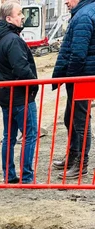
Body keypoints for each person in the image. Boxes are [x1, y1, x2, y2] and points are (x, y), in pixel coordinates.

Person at [0, 1, 38, 184]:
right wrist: (34, 85)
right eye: (19, 14)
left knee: (8, 137)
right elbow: (22, 69)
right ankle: (26, 177)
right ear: (9, 18)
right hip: (21, 96)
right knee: (29, 135)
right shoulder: (13, 40)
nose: (22, 17)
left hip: (5, 96)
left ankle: (9, 175)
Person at [52, 0, 95, 179]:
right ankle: (73, 157)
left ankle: (80, 164)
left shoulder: (84, 15)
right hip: (82, 76)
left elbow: (78, 53)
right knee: (70, 117)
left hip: (82, 77)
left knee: (80, 121)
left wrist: (70, 77)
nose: (66, 3)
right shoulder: (83, 12)